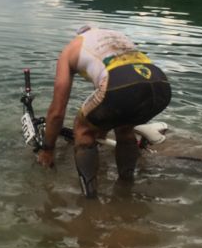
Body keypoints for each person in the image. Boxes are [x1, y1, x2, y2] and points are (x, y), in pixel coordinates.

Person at [37, 25, 171, 198]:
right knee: (124, 126)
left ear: (78, 35)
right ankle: (126, 187)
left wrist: (48, 149)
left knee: (82, 128)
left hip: (120, 83)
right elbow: (112, 100)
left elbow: (57, 111)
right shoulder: (118, 37)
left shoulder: (71, 48)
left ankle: (90, 198)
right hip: (160, 84)